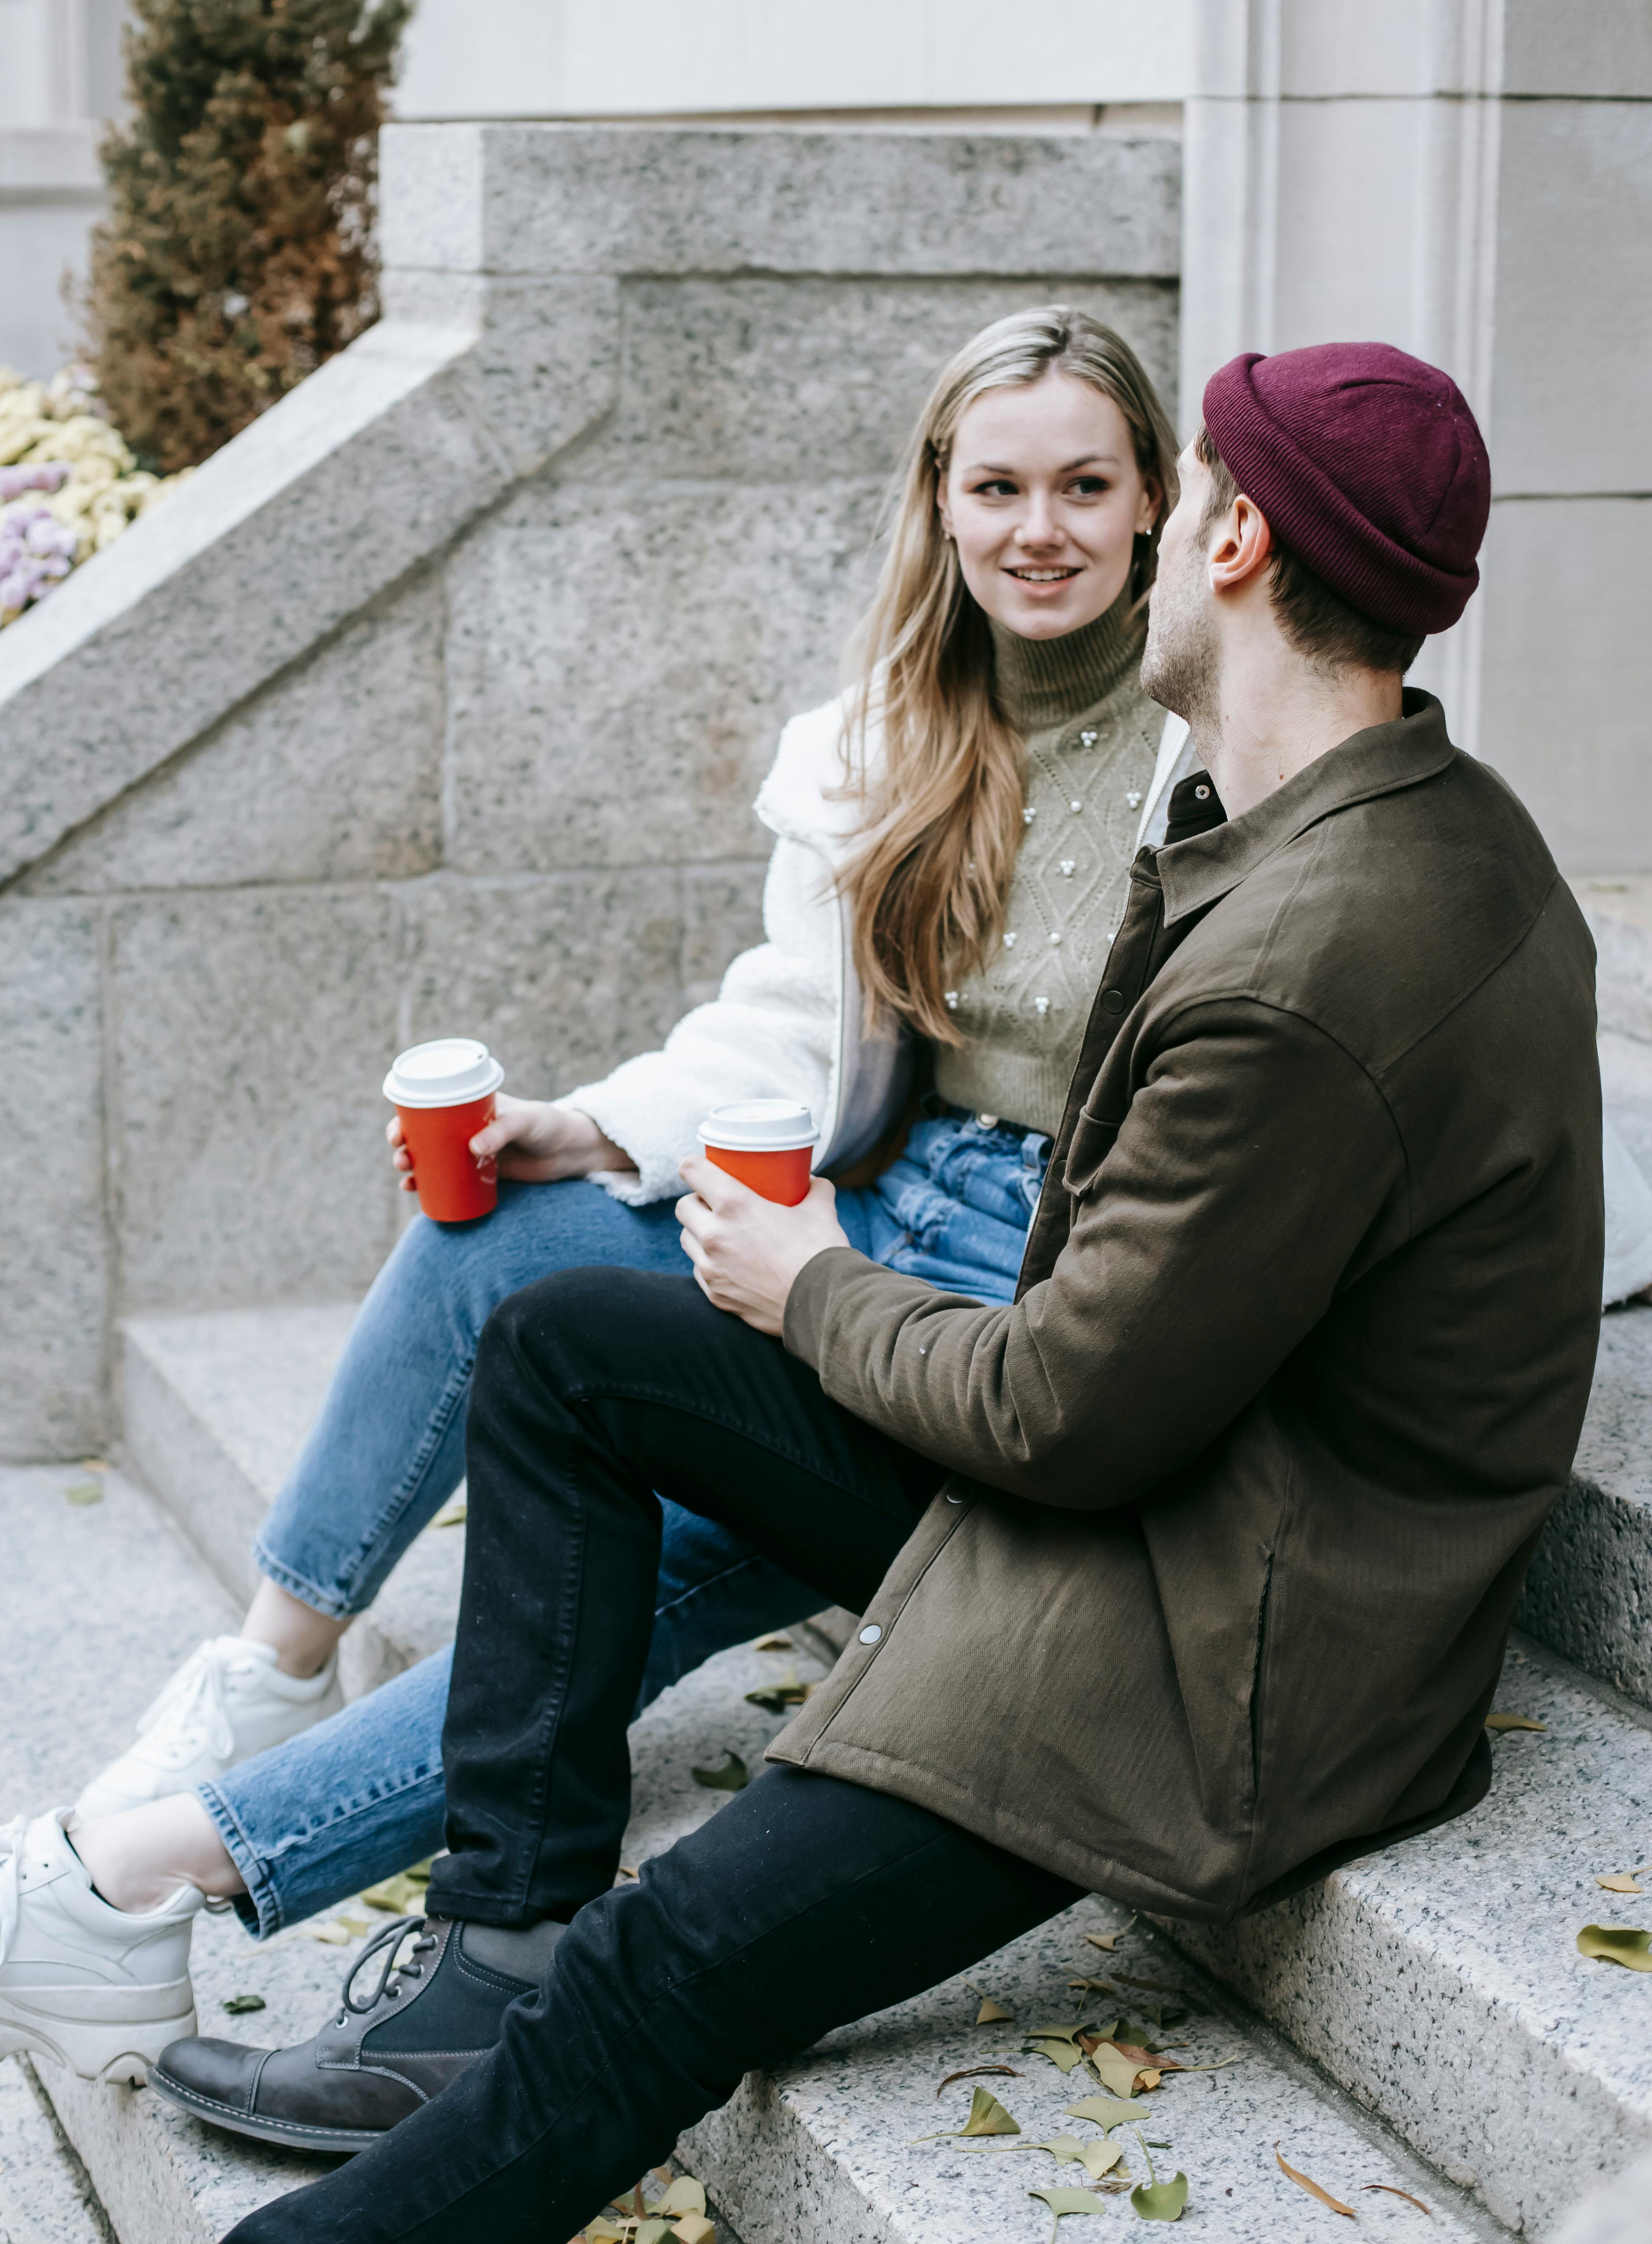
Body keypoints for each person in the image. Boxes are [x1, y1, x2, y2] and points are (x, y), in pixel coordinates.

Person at [20, 345, 1611, 2244]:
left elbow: (1058, 1419)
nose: (1139, 534)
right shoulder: (1390, 825)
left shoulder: (1315, 947)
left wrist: (816, 1282)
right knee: (567, 1338)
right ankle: (497, 1930)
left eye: (1162, 497)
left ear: (1236, 538)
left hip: (1207, 1653)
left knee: (666, 1966)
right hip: (1165, 1505)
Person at [0, 306, 1191, 2056]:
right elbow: (798, 1022)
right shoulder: (896, 731)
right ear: (938, 501)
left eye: (1086, 485)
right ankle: (262, 1674)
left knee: (635, 1557)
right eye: (998, 484)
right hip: (874, 1194)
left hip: (1015, 1288)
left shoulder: (1207, 738)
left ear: (1157, 498)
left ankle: (149, 1871)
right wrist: (604, 1127)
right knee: (496, 1225)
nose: (1041, 529)